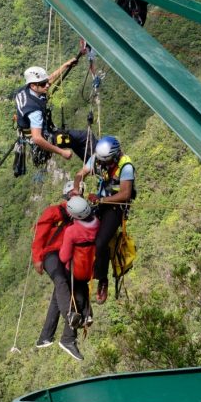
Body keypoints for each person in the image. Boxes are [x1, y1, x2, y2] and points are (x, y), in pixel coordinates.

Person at [72, 135, 135, 305]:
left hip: (115, 207)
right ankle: (80, 271)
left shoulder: (126, 166)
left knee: (101, 242)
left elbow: (125, 194)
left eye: (105, 161)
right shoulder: (98, 159)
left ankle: (102, 279)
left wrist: (101, 200)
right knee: (79, 230)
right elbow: (81, 174)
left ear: (114, 157)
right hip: (100, 203)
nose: (101, 164)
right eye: (100, 160)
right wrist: (76, 188)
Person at [14, 52, 92, 164]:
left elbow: (49, 80)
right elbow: (37, 138)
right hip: (45, 137)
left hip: (33, 132)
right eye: (43, 84)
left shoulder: (25, 90)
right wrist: (62, 152)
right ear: (33, 86)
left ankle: (90, 162)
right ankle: (95, 163)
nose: (47, 85)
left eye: (45, 82)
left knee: (75, 140)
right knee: (85, 137)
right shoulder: (34, 111)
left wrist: (65, 65)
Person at [31, 181, 76, 352]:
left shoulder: (78, 216)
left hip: (65, 256)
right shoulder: (54, 211)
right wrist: (37, 258)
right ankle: (70, 316)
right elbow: (39, 234)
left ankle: (45, 337)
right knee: (60, 281)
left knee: (59, 293)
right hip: (50, 254)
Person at [55, 196, 99, 361]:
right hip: (89, 271)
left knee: (64, 287)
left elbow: (64, 256)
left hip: (74, 271)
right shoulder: (98, 223)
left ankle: (73, 319)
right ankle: (86, 314)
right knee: (80, 292)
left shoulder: (72, 231)